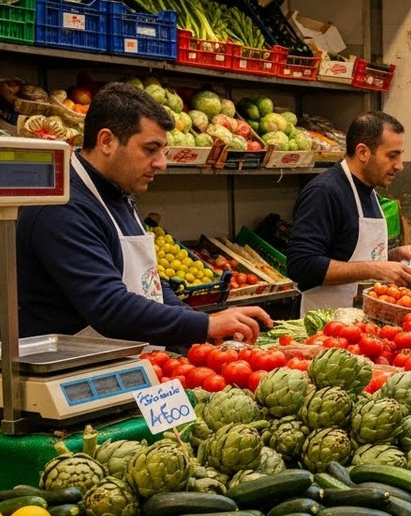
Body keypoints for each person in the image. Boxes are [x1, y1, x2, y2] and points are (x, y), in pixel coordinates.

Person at [17, 83, 271, 346]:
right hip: (68, 373)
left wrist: (199, 326)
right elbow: (109, 307)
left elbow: (149, 284)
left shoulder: (119, 192)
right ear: (106, 141)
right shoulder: (62, 207)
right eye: (150, 149)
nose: (162, 162)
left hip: (120, 359)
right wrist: (204, 324)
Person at [288, 112, 411, 314]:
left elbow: (345, 252)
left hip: (359, 323)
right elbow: (301, 264)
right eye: (392, 155)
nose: (400, 165)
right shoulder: (324, 192)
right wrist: (376, 269)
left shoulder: (369, 190)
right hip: (325, 323)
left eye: (400, 155)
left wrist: (392, 257)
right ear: (362, 152)